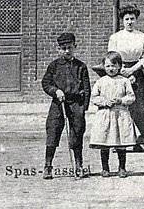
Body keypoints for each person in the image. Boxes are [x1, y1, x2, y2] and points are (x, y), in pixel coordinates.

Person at [41, 32, 91, 179]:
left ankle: (78, 166)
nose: (67, 51)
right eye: (63, 48)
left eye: (69, 47)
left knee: (77, 134)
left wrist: (84, 107)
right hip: (59, 103)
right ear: (59, 49)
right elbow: (46, 83)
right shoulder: (54, 66)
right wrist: (55, 91)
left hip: (76, 103)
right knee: (53, 132)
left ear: (75, 47)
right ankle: (48, 166)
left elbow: (87, 88)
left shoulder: (81, 66)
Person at [106, 5, 144, 149]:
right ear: (122, 21)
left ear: (136, 19)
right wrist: (122, 71)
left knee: (138, 107)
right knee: (120, 106)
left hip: (137, 71)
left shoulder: (143, 37)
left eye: (132, 19)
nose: (130, 22)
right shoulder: (115, 37)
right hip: (119, 72)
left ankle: (137, 141)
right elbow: (112, 56)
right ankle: (119, 142)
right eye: (127, 19)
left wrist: (133, 70)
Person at [89, 51, 139, 177]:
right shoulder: (101, 81)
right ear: (104, 67)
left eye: (114, 66)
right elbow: (94, 97)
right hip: (105, 114)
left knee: (121, 142)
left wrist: (121, 100)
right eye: (108, 66)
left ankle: (122, 168)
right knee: (104, 142)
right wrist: (105, 102)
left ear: (119, 66)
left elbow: (131, 97)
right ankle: (105, 168)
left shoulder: (124, 81)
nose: (111, 69)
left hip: (120, 114)